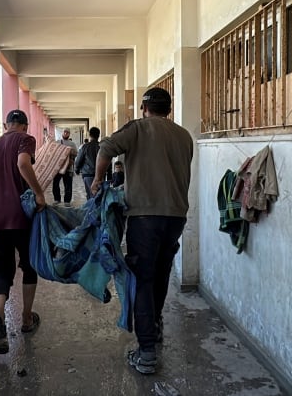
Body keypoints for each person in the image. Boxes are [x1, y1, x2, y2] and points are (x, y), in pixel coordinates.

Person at [90, 88, 193, 374]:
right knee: (160, 275)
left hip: (145, 216)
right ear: (168, 110)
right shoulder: (184, 136)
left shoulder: (137, 128)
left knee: (143, 279)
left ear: (144, 108)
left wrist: (98, 181)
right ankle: (155, 325)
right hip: (176, 216)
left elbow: (105, 149)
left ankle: (147, 351)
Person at [0, 109, 46, 354]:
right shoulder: (25, 139)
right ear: (25, 125)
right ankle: (27, 318)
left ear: (5, 124)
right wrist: (39, 193)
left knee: (2, 272)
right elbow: (22, 163)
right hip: (20, 217)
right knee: (29, 266)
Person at [52, 128, 78, 206]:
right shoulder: (57, 142)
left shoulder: (72, 144)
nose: (66, 133)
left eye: (67, 132)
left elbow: (76, 154)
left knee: (68, 185)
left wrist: (71, 153)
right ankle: (57, 199)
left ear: (69, 134)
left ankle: (67, 201)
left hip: (68, 168)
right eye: (65, 132)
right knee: (55, 184)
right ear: (62, 133)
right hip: (58, 168)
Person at [74, 126, 100, 199]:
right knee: (98, 194)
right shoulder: (102, 146)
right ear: (98, 135)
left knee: (90, 194)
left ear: (90, 135)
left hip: (88, 174)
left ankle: (91, 209)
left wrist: (77, 170)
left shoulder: (85, 147)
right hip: (100, 174)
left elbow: (78, 160)